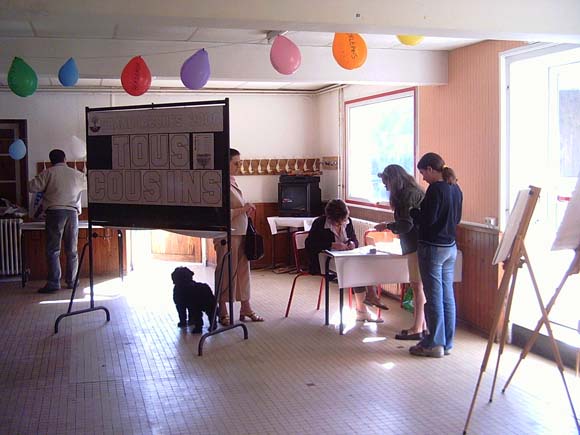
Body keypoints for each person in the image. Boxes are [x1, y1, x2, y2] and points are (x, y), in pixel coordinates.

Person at [408, 152, 463, 358]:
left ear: (431, 169)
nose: (422, 177)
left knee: (434, 297)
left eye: (423, 172)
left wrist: (414, 213)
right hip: (450, 247)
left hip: (432, 247)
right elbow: (457, 218)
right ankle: (447, 342)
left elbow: (427, 220)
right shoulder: (456, 188)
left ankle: (434, 343)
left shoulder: (435, 190)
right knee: (448, 296)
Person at [305, 198, 387, 322]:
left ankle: (365, 305)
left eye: (343, 221)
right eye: (338, 223)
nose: (341, 224)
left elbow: (354, 239)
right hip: (325, 260)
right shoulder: (319, 223)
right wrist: (332, 244)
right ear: (330, 218)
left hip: (346, 258)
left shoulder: (348, 221)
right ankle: (367, 302)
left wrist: (352, 243)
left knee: (363, 265)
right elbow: (310, 244)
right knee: (357, 269)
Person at [375, 164, 426, 340]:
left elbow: (406, 225)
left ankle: (417, 328)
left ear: (393, 180)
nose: (386, 187)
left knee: (417, 286)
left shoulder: (406, 196)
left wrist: (387, 226)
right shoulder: (414, 191)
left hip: (415, 245)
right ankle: (422, 325)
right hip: (420, 243)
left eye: (386, 183)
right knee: (419, 286)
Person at [214, 148, 264, 325]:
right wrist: (243, 209)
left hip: (241, 232)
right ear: (225, 163)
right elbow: (219, 213)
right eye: (236, 163)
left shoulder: (232, 181)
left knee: (243, 272)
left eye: (240, 163)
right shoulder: (217, 183)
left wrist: (246, 210)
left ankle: (246, 307)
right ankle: (222, 310)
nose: (239, 166)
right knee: (225, 271)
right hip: (227, 235)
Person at [28, 149, 87, 293]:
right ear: (65, 159)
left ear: (51, 160)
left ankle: (54, 282)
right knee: (72, 250)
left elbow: (32, 187)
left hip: (55, 212)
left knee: (53, 250)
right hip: (73, 213)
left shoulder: (48, 173)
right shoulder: (76, 174)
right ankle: (72, 281)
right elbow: (88, 185)